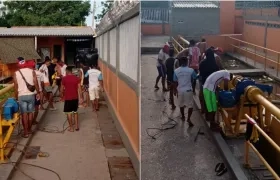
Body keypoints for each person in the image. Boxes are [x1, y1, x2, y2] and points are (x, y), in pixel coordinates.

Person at [13, 60, 40, 138]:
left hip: (21, 95)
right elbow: (35, 82)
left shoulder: (16, 73)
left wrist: (16, 96)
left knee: (24, 114)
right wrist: (38, 92)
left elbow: (15, 86)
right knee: (30, 113)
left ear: (19, 65)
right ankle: (29, 129)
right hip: (31, 95)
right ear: (26, 64)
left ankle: (25, 132)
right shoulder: (32, 71)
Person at [173, 56, 197, 126]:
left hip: (180, 90)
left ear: (180, 63)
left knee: (181, 104)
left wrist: (175, 90)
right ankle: (188, 118)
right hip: (188, 90)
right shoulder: (191, 70)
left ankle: (183, 116)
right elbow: (195, 77)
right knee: (190, 106)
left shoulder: (176, 71)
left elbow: (175, 81)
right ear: (187, 62)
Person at [60, 66, 82, 132]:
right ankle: (77, 126)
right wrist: (81, 97)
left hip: (68, 98)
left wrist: (61, 96)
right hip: (75, 98)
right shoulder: (76, 78)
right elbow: (79, 88)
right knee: (75, 112)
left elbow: (61, 89)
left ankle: (71, 128)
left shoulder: (64, 79)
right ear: (71, 71)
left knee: (69, 113)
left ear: (67, 71)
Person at [199, 48, 220, 114]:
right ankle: (211, 115)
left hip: (204, 83)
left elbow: (201, 74)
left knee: (202, 97)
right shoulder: (215, 65)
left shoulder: (202, 63)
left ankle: (203, 109)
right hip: (213, 85)